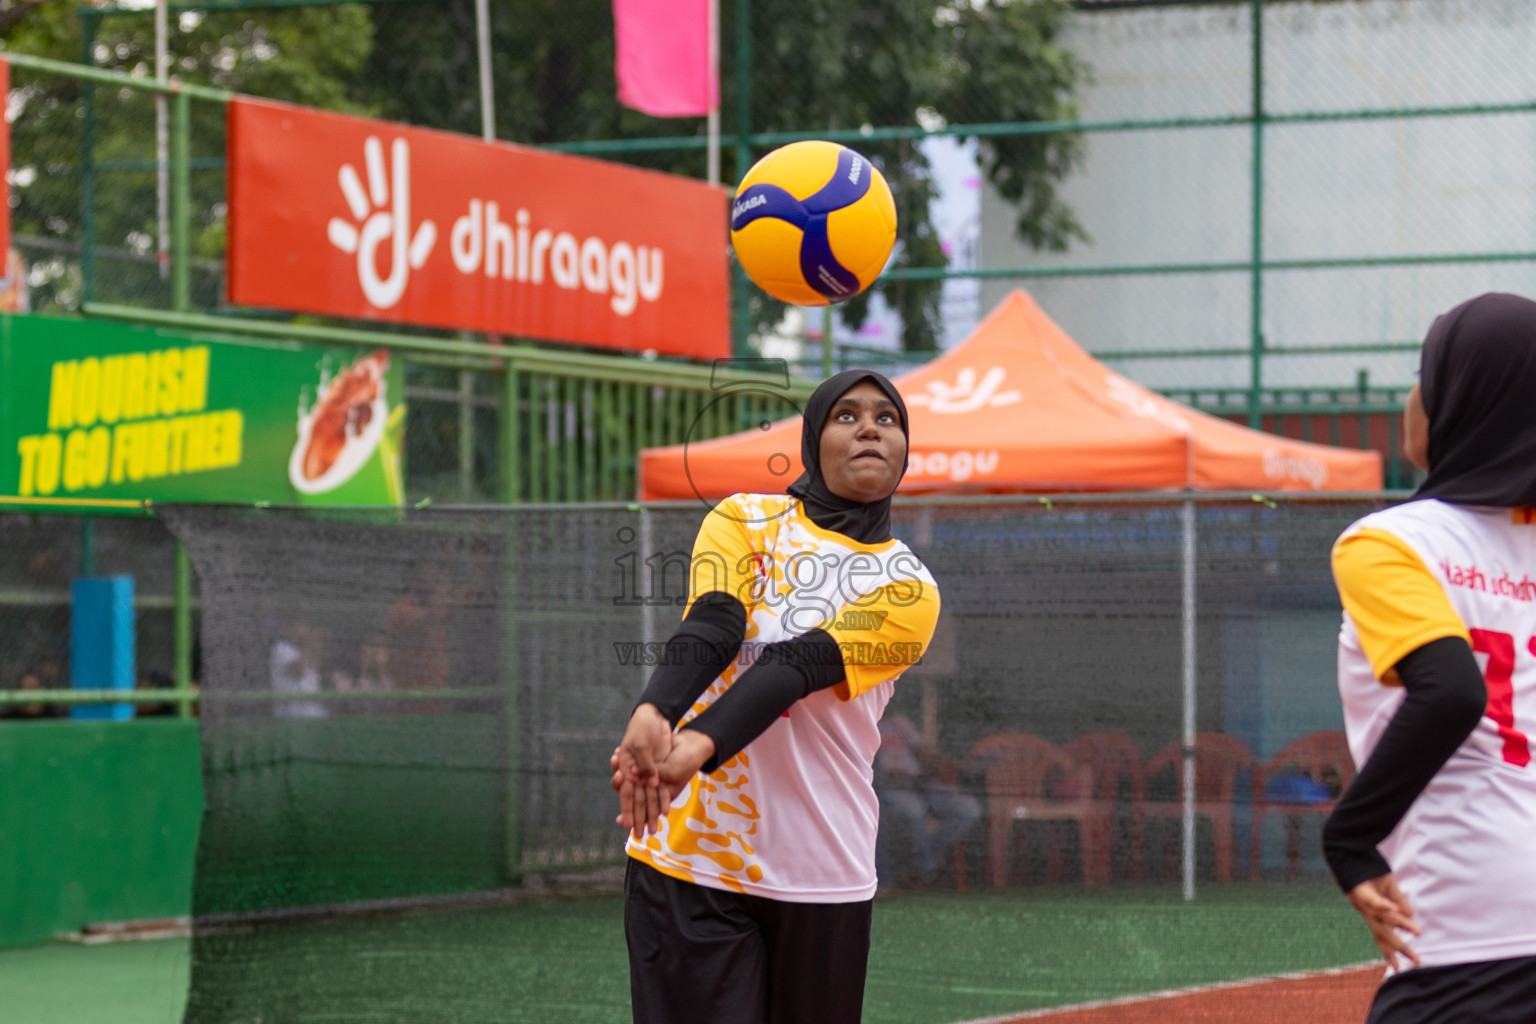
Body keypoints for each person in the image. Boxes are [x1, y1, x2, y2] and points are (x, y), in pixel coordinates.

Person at [610, 370, 942, 1024]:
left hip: (822, 871)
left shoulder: (909, 588)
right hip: (691, 864)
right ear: (814, 441)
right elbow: (714, 621)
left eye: (888, 417)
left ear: (907, 447)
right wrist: (654, 711)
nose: (871, 426)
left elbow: (799, 664)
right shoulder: (743, 518)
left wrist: (694, 748)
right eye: (846, 416)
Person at [1322, 292, 1536, 1023]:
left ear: (1460, 401)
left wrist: (1348, 839)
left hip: (1473, 923)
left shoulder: (1392, 542)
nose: (1413, 396)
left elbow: (1451, 693)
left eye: (1425, 373)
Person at [873, 713, 980, 888]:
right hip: (888, 788)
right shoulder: (862, 721)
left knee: (967, 809)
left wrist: (957, 765)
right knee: (913, 809)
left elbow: (925, 753)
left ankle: (920, 862)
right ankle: (923, 869)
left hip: (921, 784)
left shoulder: (899, 722)